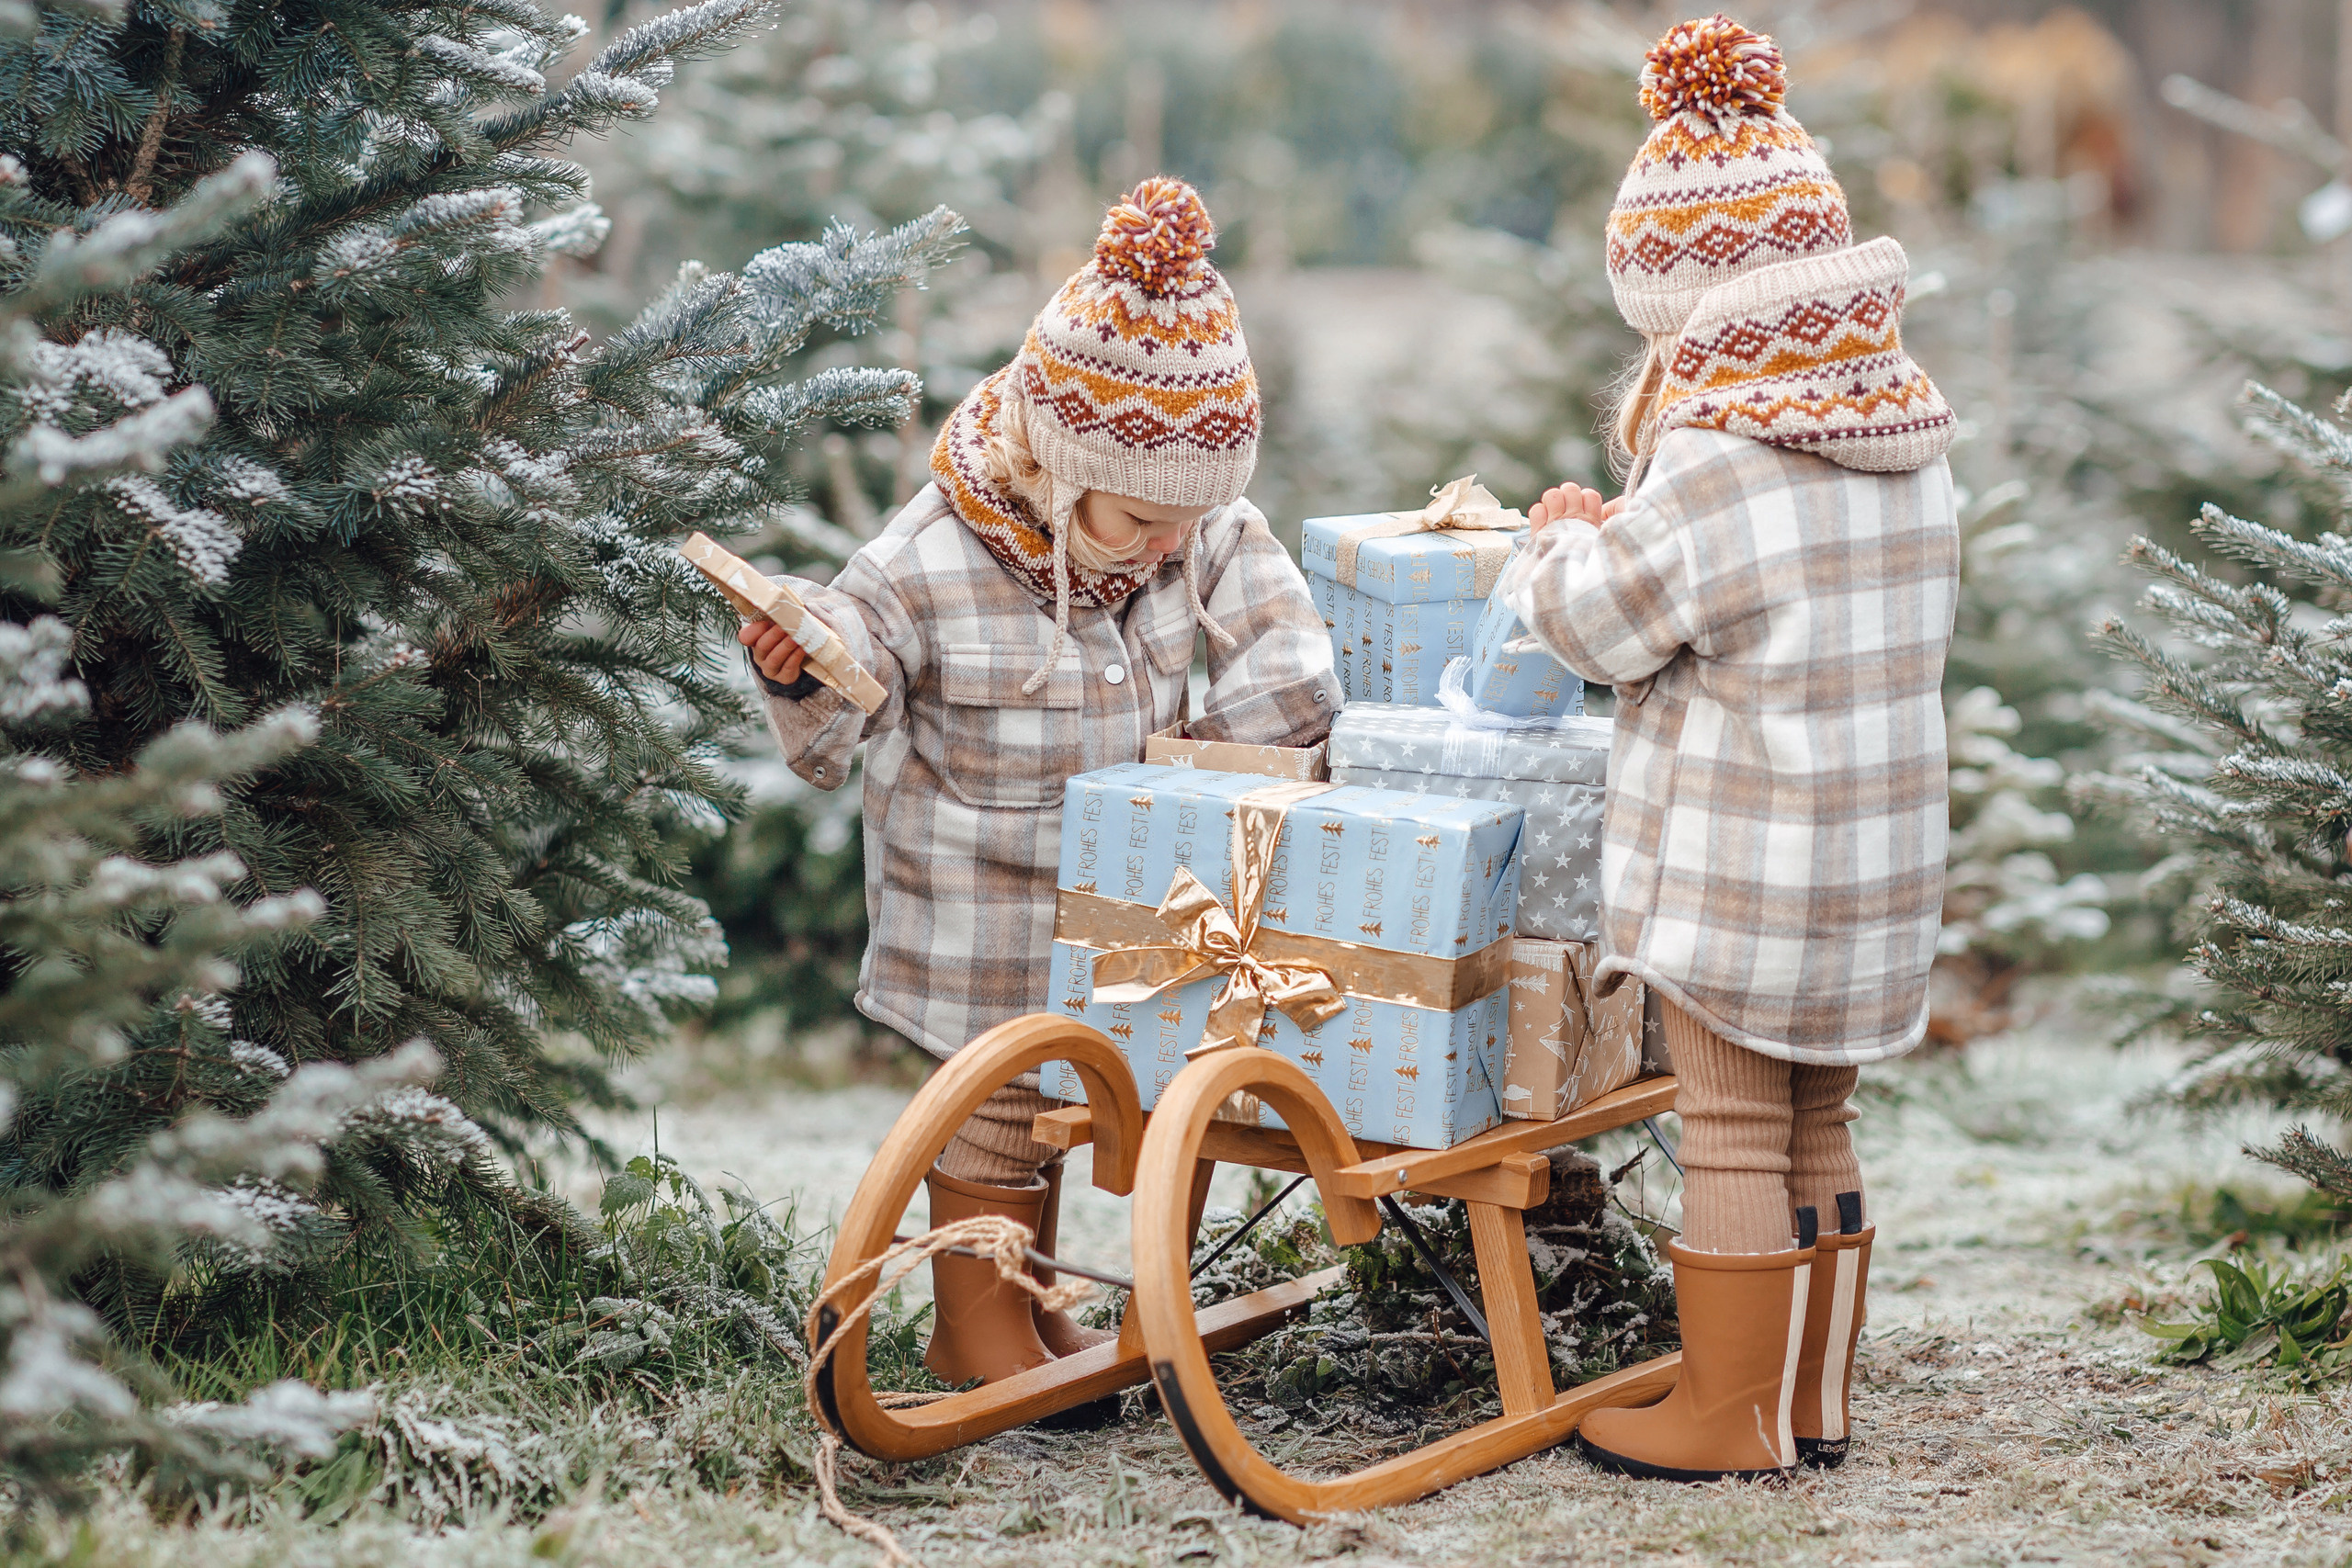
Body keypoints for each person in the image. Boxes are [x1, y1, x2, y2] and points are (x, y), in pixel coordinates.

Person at [741, 178, 1339, 1387]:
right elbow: (856, 661)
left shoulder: (1193, 521)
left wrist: (1226, 759)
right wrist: (805, 660)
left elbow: (1284, 644)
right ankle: (974, 1329)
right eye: (1140, 522)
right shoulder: (930, 557)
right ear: (1061, 470)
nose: (1168, 546)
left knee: (1064, 1095)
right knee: (994, 1112)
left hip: (1114, 895)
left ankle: (1032, 1309)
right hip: (975, 897)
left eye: (1187, 523)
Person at [1498, 15, 1960, 1482]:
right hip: (1875, 862)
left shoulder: (1717, 458)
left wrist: (1552, 545)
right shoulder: (1907, 439)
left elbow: (1603, 625)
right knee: (1820, 1118)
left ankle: (1728, 1412)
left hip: (1743, 869)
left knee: (1732, 1128)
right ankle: (1810, 1402)